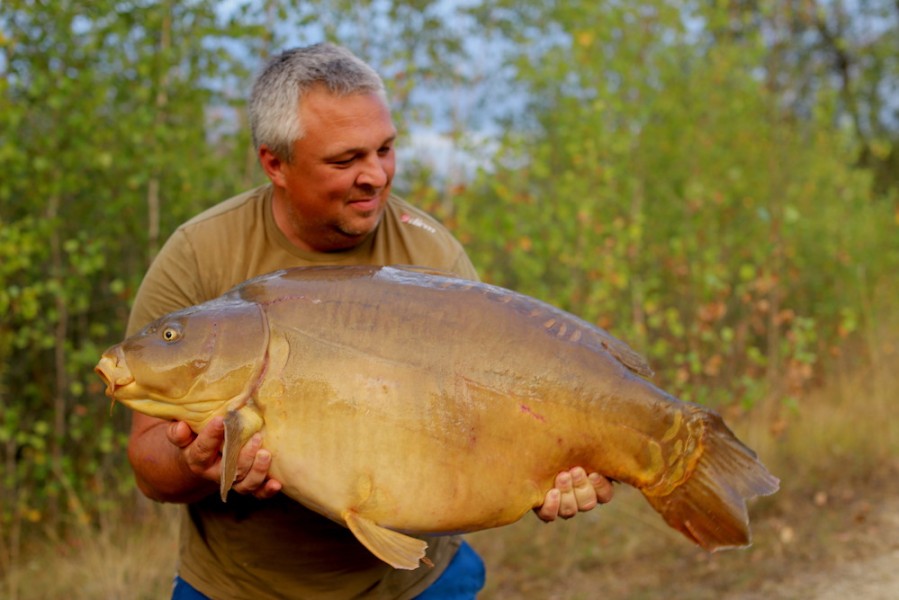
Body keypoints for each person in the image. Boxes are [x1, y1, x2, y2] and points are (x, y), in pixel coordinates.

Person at [125, 43, 614, 600]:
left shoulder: (432, 257)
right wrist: (198, 464)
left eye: (386, 149)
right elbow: (148, 468)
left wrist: (559, 469)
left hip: (413, 580)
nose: (376, 175)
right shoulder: (200, 255)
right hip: (237, 586)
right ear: (274, 163)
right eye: (345, 160)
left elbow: (488, 420)